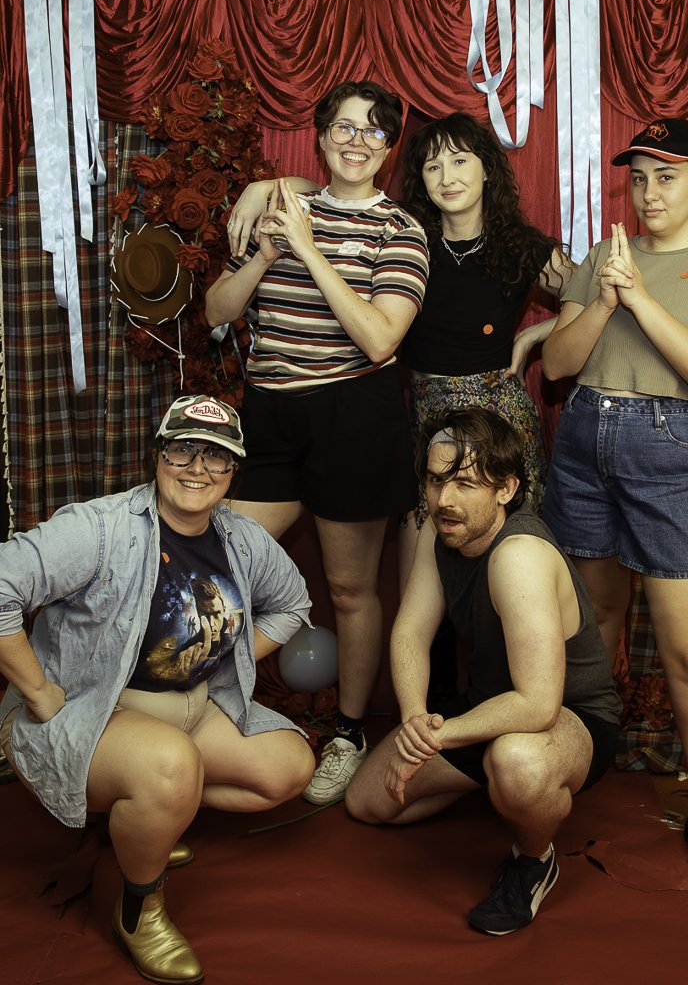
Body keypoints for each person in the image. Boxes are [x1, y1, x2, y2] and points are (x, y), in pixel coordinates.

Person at [0, 395, 315, 984]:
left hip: (189, 706)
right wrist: (37, 691)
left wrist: (226, 658)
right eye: (182, 450)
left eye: (216, 457)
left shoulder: (241, 538)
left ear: (233, 471)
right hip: (90, 711)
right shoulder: (100, 528)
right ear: (157, 455)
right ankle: (139, 908)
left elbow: (293, 603)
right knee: (171, 770)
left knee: (288, 768)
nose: (198, 469)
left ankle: (147, 820)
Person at [540, 118, 688, 891]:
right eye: (638, 178)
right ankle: (566, 775)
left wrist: (640, 299)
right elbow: (558, 365)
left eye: (667, 176)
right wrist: (603, 301)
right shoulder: (606, 258)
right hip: (586, 444)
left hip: (677, 453)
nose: (649, 193)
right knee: (590, 629)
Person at [206, 80, 429, 805]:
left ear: (389, 148)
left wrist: (309, 249)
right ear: (321, 137)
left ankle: (349, 732)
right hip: (271, 414)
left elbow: (380, 339)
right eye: (343, 127)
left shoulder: (401, 231)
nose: (356, 141)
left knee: (348, 589)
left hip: (354, 416)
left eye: (373, 130)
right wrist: (268, 253)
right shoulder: (279, 208)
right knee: (218, 563)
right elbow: (215, 310)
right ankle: (207, 706)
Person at [345, 407, 621, 936]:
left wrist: (439, 737)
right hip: (491, 707)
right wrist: (414, 718)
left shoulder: (519, 555)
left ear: (506, 489)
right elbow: (410, 632)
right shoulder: (441, 532)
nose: (444, 499)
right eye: (436, 481)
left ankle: (533, 860)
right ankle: (494, 786)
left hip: (570, 716)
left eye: (466, 484)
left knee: (516, 763)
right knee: (368, 803)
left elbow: (538, 705)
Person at [398, 113, 573, 582]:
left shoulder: (519, 246)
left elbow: (596, 297)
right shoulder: (407, 243)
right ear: (422, 181)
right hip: (427, 417)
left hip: (499, 418)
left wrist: (536, 333)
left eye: (459, 161)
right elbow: (340, 195)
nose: (447, 177)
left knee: (509, 570)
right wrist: (265, 188)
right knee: (423, 575)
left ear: (487, 170)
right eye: (433, 166)